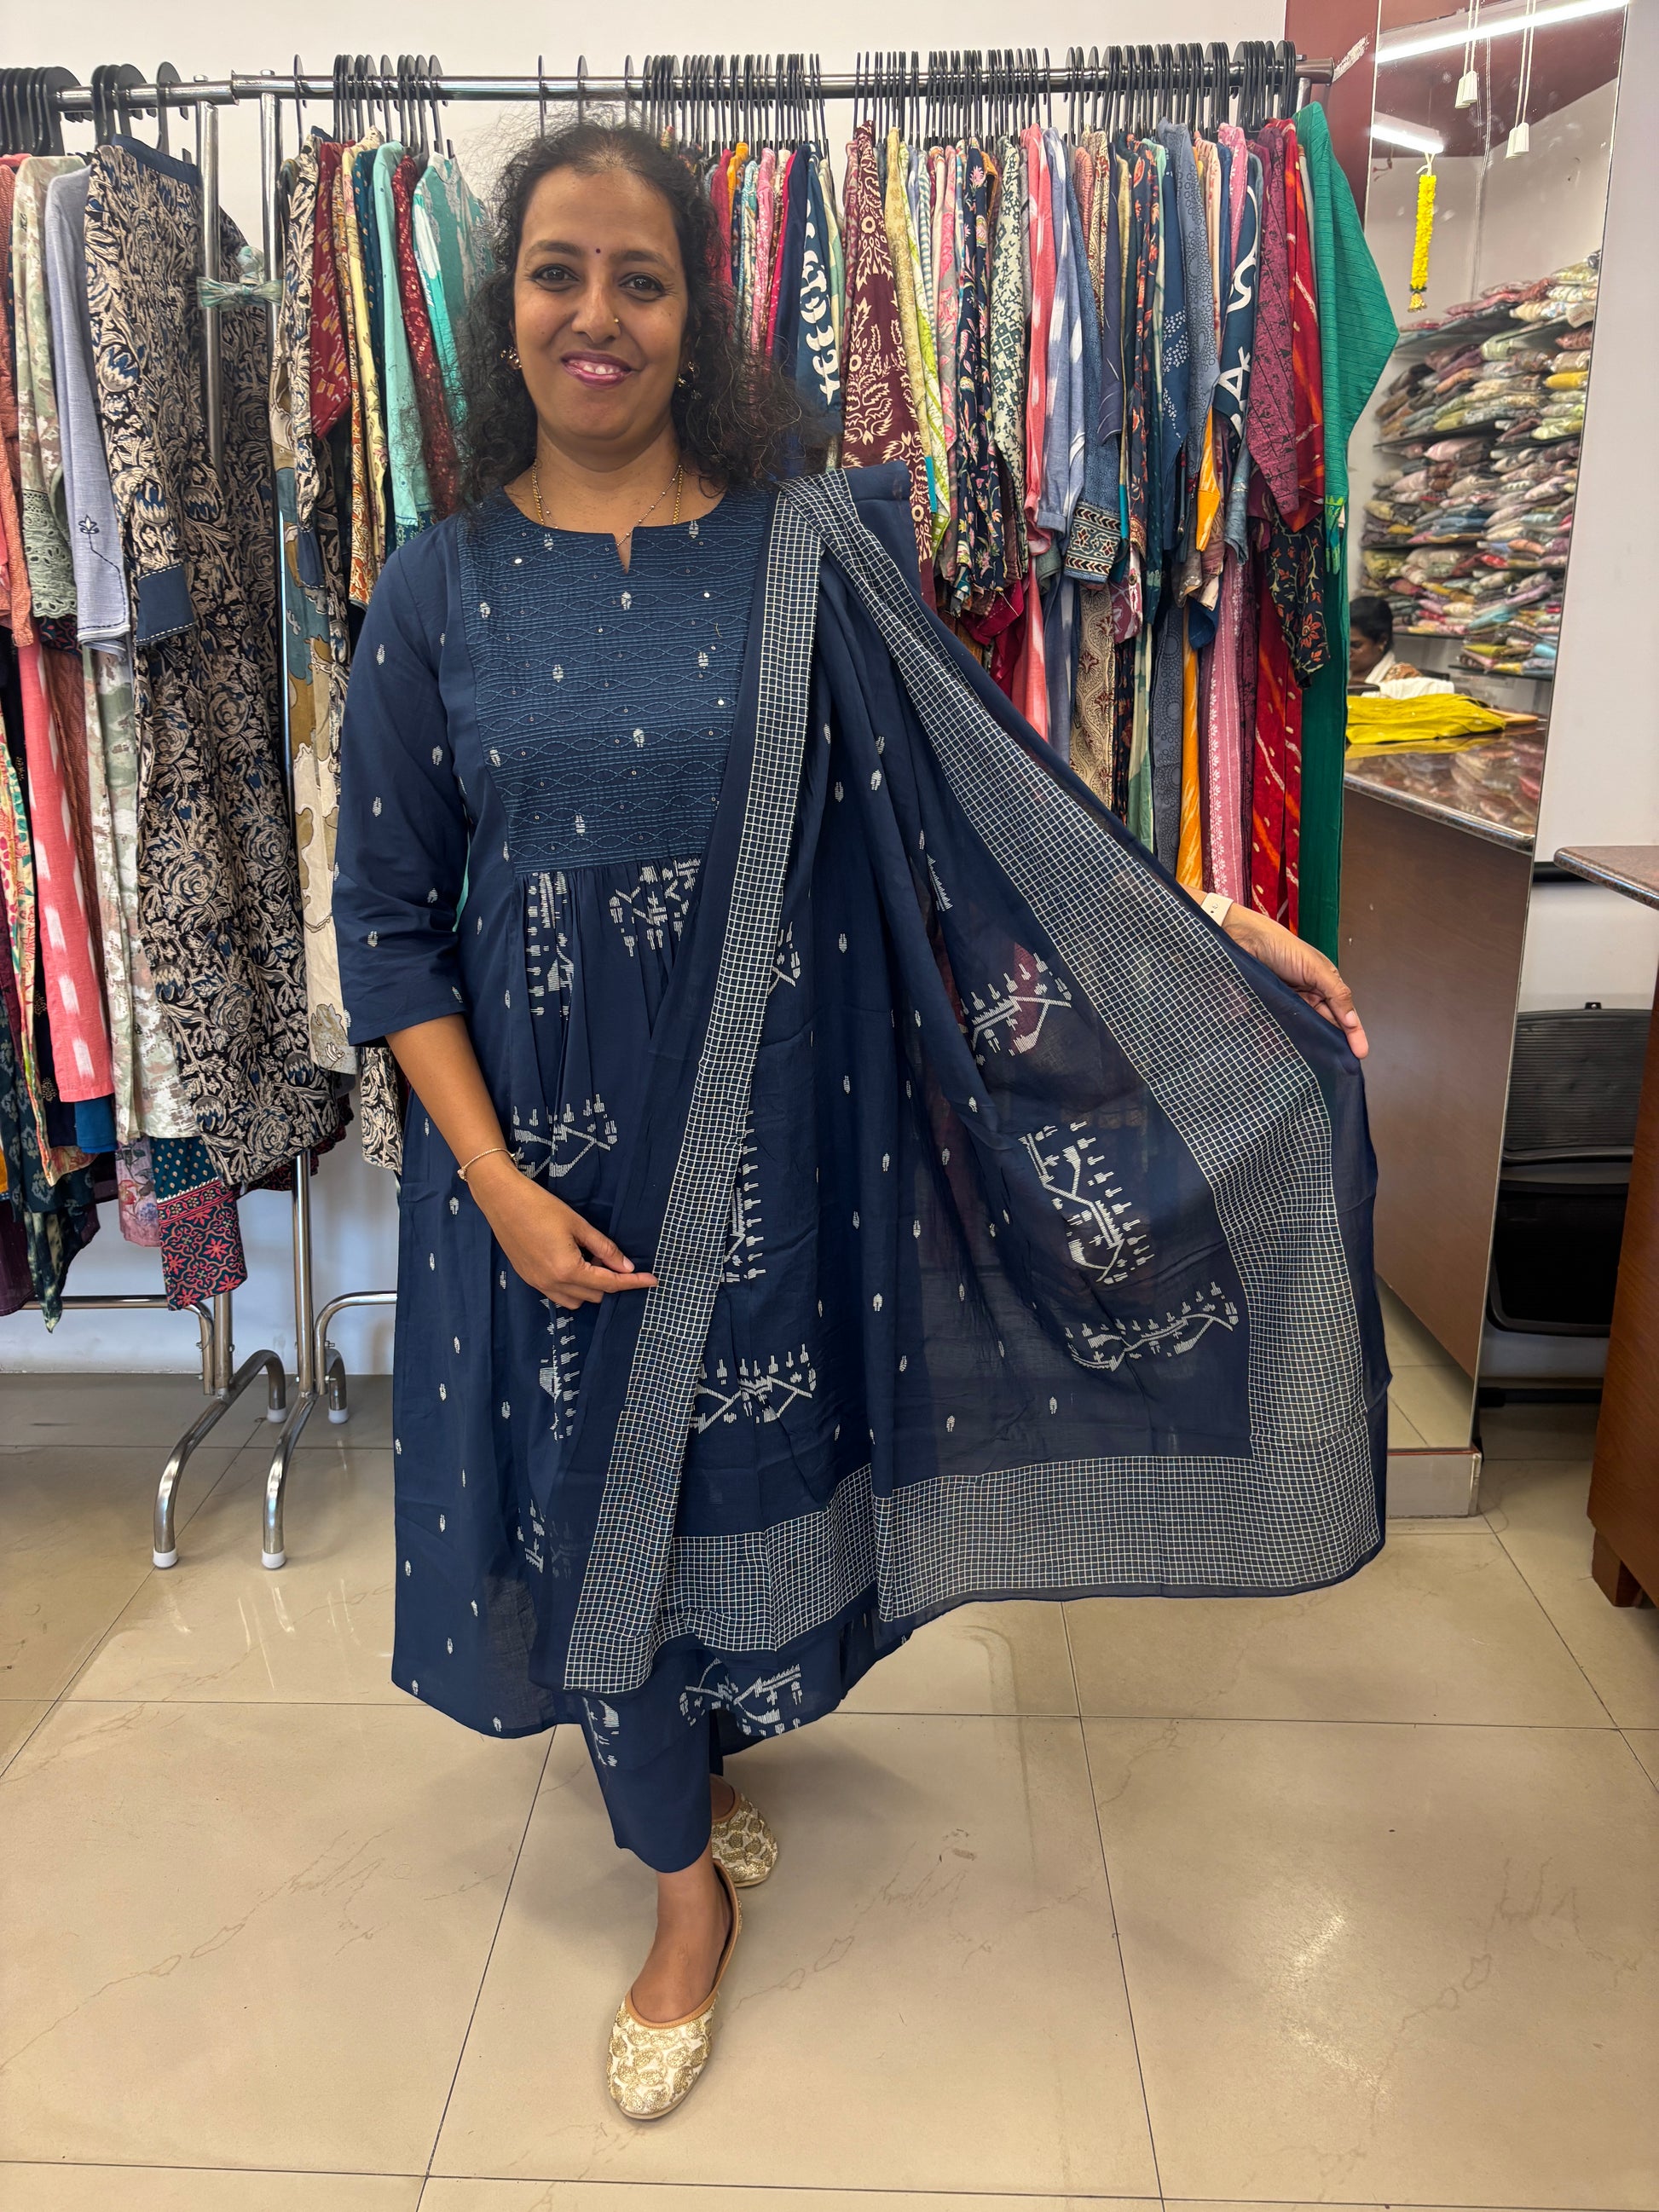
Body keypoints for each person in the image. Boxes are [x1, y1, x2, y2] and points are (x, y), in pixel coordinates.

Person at [334, 122, 1390, 2123]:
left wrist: (1215, 932)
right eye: (558, 272)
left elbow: (991, 800)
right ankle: (680, 1890)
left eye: (641, 278)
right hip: (539, 1166)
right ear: (506, 308)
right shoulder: (438, 582)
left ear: (695, 312)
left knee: (747, 1476)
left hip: (765, 1134)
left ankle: (713, 1766)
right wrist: (483, 1169)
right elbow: (384, 921)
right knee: (584, 1516)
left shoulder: (819, 542)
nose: (598, 314)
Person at [1349, 593, 1454, 696]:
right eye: (1342, 646)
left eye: (1355, 645)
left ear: (1382, 641)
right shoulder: (1336, 675)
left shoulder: (1406, 681)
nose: (1346, 653)